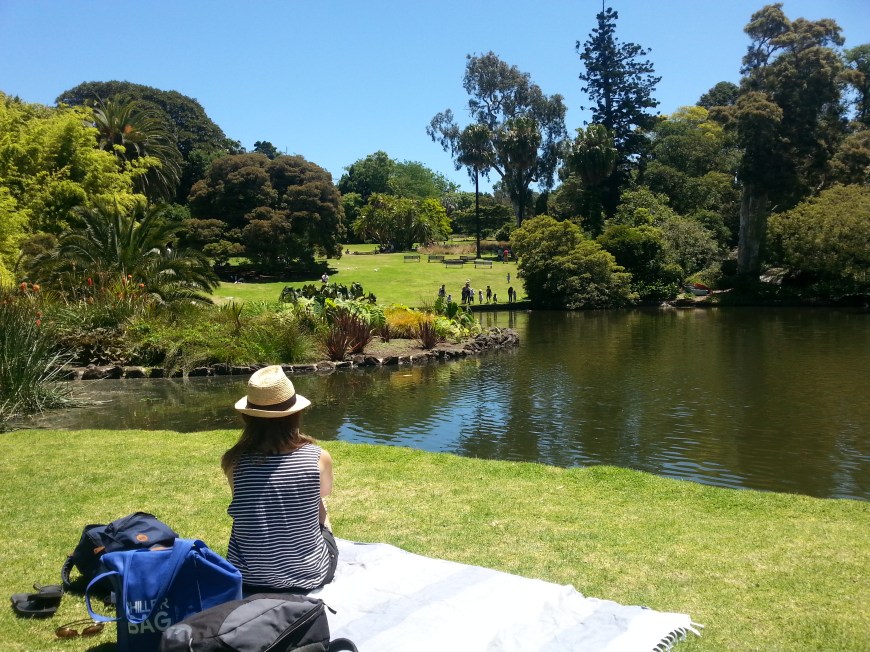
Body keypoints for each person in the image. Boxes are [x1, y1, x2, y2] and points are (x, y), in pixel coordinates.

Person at [222, 366, 337, 595]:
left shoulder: (234, 461)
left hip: (249, 578)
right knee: (320, 503)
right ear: (295, 414)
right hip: (309, 576)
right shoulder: (318, 457)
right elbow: (323, 494)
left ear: (248, 416)